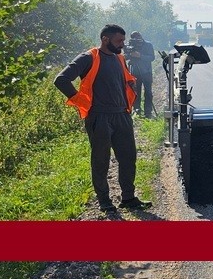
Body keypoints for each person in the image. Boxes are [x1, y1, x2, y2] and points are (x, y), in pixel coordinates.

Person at [54, 24, 151, 213]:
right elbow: (61, 79)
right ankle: (104, 201)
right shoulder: (88, 57)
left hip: (122, 115)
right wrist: (81, 102)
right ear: (105, 39)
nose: (123, 45)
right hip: (98, 117)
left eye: (123, 41)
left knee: (128, 158)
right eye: (119, 41)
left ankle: (129, 198)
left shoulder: (119, 58)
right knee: (101, 160)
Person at [125, 31, 155, 118]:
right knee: (136, 92)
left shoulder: (148, 45)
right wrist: (130, 54)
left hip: (146, 72)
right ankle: (137, 109)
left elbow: (152, 57)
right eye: (134, 38)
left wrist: (140, 56)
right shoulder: (130, 45)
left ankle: (148, 112)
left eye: (138, 37)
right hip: (135, 73)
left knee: (148, 92)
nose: (137, 39)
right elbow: (125, 57)